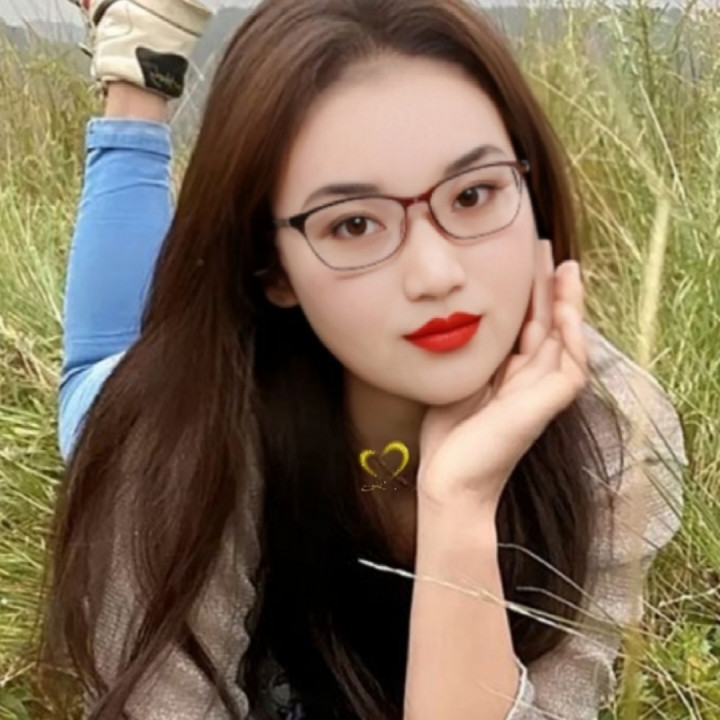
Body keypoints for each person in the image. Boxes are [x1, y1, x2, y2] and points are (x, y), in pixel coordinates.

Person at [41, 0, 688, 718]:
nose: (436, 274)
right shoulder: (170, 452)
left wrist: (458, 507)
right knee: (103, 363)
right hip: (182, 393)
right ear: (271, 266)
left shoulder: (613, 431)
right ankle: (135, 85)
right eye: (353, 224)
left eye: (474, 194)